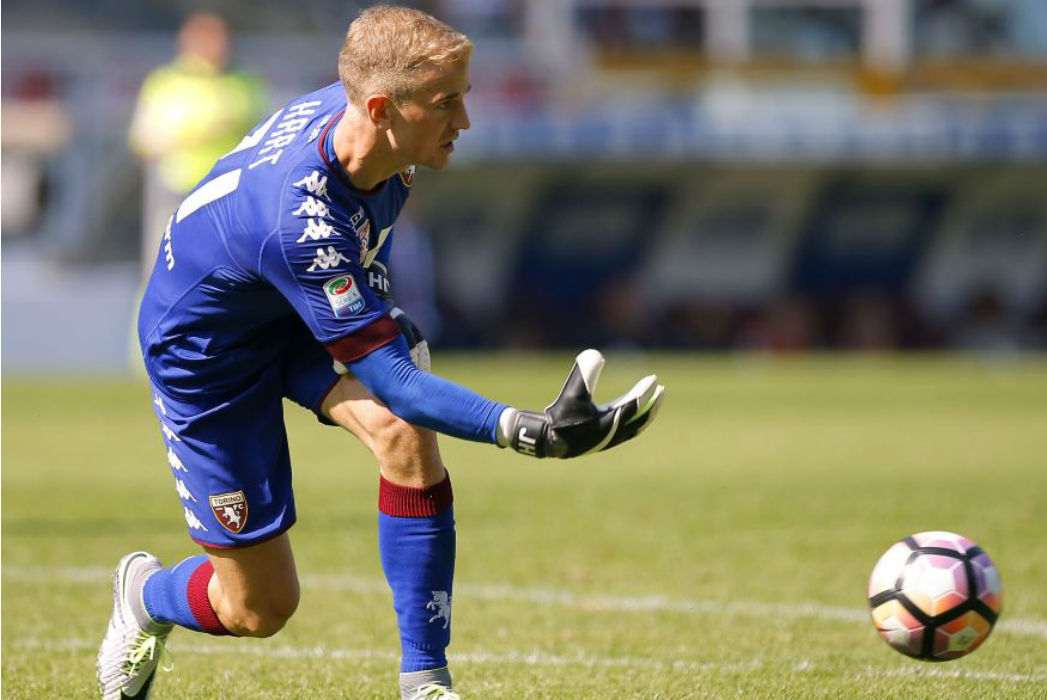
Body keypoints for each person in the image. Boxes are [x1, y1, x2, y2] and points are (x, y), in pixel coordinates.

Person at [97, 6, 665, 700]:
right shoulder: (299, 220)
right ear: (380, 107)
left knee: (406, 438)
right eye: (446, 103)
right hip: (206, 352)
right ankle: (146, 596)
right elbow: (392, 378)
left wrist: (380, 301)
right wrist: (526, 430)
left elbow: (362, 252)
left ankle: (424, 681)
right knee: (260, 608)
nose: (465, 120)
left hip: (286, 303)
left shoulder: (383, 142)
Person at [129, 12, 267, 278]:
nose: (218, 48)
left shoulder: (243, 82)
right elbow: (144, 140)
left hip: (228, 194)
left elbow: (260, 133)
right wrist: (199, 129)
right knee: (167, 271)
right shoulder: (165, 83)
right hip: (177, 191)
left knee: (225, 271)